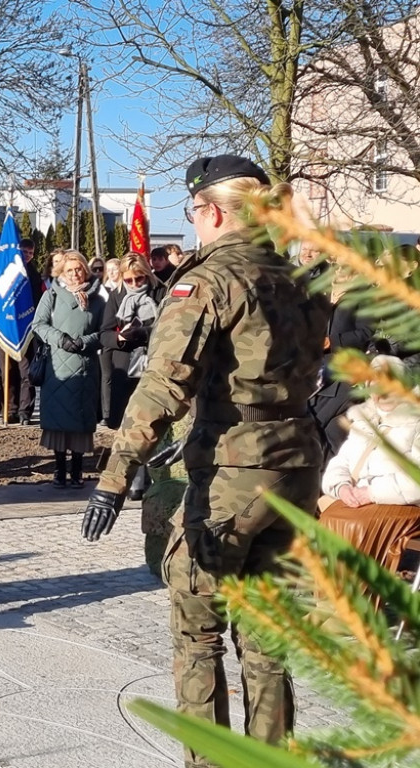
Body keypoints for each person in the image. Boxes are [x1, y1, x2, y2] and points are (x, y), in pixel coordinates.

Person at [81, 155, 328, 767]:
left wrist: (114, 478)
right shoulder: (296, 277)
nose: (193, 224)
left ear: (211, 212)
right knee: (269, 642)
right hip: (295, 472)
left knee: (198, 633)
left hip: (231, 480)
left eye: (193, 212)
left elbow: (163, 385)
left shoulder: (211, 281)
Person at [318, 355, 420, 570]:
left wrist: (371, 493)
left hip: (400, 503)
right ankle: (330, 593)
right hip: (358, 499)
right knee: (329, 516)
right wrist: (342, 487)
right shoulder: (365, 419)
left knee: (356, 527)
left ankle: (361, 594)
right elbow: (342, 461)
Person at [32, 250, 103, 489]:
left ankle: (77, 469)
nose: (74, 274)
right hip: (57, 366)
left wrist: (86, 341)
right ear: (61, 272)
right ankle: (59, 469)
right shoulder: (51, 295)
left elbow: (105, 331)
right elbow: (38, 324)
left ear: (86, 270)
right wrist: (60, 339)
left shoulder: (97, 299)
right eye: (69, 270)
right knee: (59, 419)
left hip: (84, 366)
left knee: (81, 420)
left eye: (78, 269)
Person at [301, 243, 373, 463]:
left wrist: (332, 342)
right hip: (314, 369)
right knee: (310, 424)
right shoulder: (320, 288)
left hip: (343, 373)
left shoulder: (366, 294)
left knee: (326, 428)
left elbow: (366, 333)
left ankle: (327, 483)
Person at [99, 254, 162, 439]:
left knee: (151, 424)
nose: (134, 284)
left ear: (147, 274)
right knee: (124, 426)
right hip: (124, 364)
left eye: (139, 278)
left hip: (152, 361)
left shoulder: (160, 291)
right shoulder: (117, 295)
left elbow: (170, 328)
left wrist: (145, 333)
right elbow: (104, 333)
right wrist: (119, 337)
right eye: (128, 280)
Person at [0, 236, 44, 425]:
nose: (28, 256)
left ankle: (25, 411)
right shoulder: (7, 272)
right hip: (8, 329)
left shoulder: (34, 275)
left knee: (26, 373)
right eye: (24, 251)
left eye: (31, 253)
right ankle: (10, 410)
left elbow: (39, 302)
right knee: (8, 372)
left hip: (27, 331)